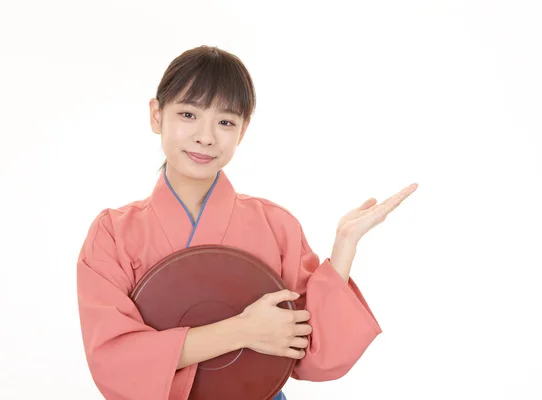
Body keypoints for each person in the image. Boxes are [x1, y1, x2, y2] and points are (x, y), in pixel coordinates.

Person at [76, 45, 418, 400]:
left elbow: (312, 353)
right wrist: (243, 331)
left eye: (225, 121)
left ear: (242, 131)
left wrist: (344, 247)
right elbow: (114, 358)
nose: (206, 137)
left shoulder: (276, 225)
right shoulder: (112, 234)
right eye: (188, 115)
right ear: (156, 115)